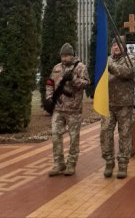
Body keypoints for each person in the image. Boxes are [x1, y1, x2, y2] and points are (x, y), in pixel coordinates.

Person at [46, 43, 90, 177]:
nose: (64, 59)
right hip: (58, 108)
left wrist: (73, 79)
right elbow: (50, 83)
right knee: (55, 135)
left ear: (72, 55)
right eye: (62, 56)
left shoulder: (80, 67)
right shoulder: (57, 68)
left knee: (74, 138)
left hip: (73, 110)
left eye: (66, 56)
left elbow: (86, 83)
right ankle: (58, 163)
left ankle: (71, 164)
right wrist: (48, 97)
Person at [101, 39, 135, 179]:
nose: (116, 47)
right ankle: (109, 162)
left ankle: (123, 164)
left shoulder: (130, 59)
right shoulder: (107, 59)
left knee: (124, 135)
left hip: (124, 105)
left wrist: (109, 65)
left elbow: (127, 72)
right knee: (105, 134)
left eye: (119, 45)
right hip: (108, 104)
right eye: (114, 45)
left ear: (124, 47)